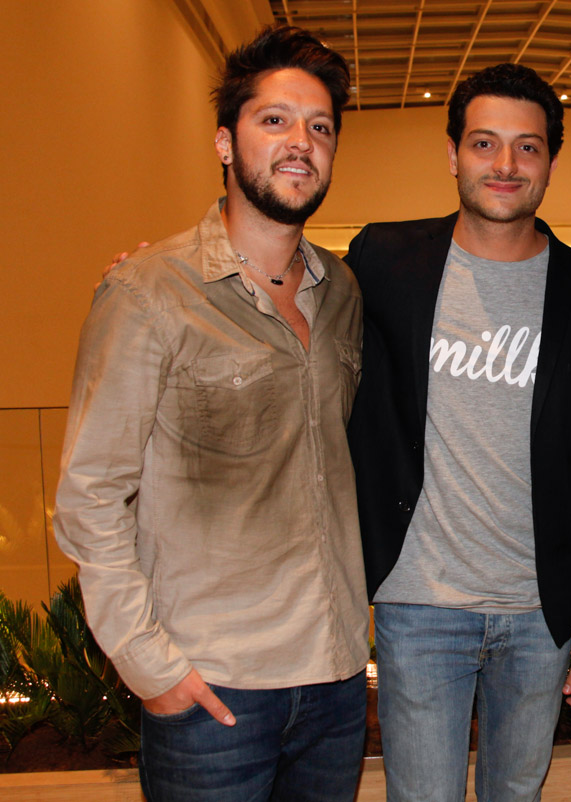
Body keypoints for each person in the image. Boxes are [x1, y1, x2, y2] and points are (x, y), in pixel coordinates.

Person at [54, 26, 369, 802]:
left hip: (334, 685)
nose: (301, 143)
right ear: (225, 143)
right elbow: (90, 495)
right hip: (212, 693)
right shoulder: (148, 293)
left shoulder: (342, 293)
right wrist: (148, 665)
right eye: (275, 120)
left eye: (320, 127)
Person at [345, 63, 571, 801]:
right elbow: (288, 304)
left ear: (551, 161)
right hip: (420, 602)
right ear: (453, 154)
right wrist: (169, 275)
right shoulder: (384, 261)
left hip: (540, 612)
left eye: (527, 147)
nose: (505, 164)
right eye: (484, 143)